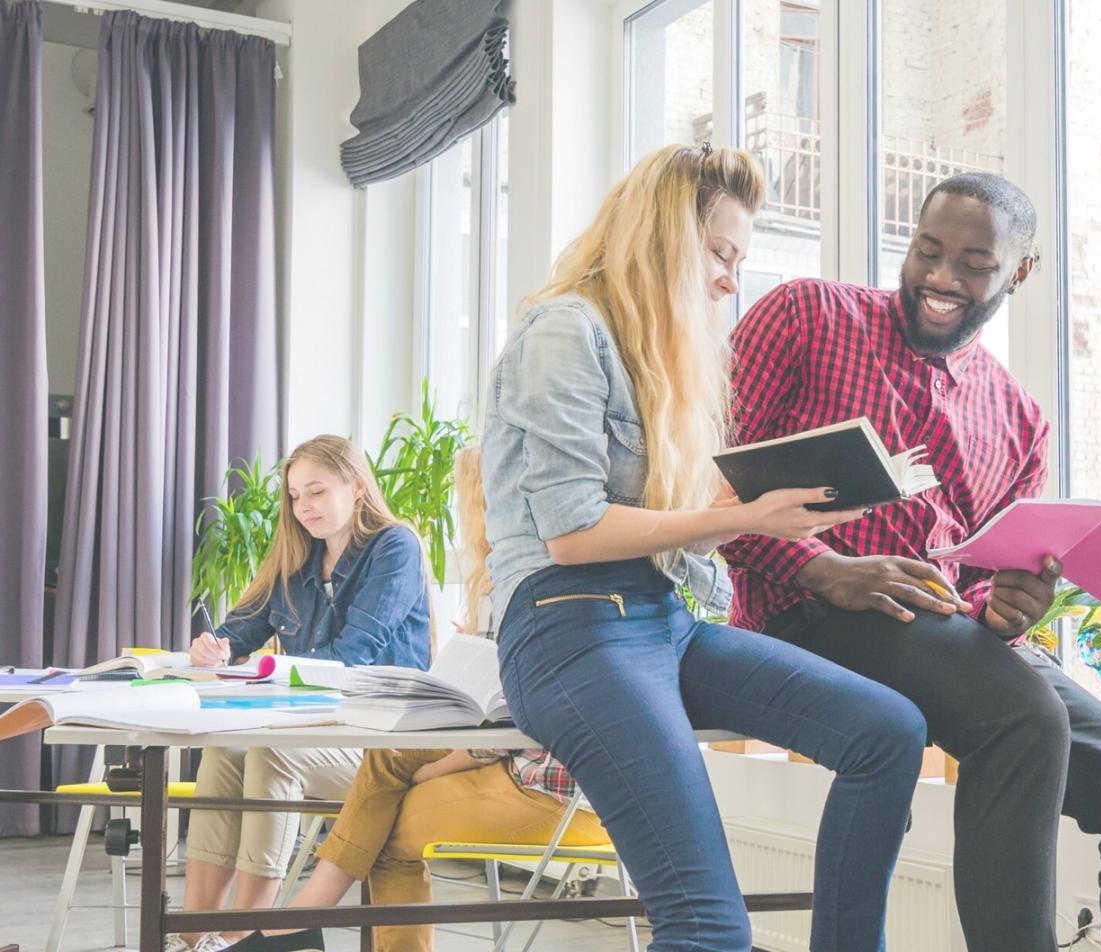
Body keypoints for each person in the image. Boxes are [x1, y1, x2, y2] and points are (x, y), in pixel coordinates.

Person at [720, 173, 1101, 952]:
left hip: (941, 637)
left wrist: (1012, 605)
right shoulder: (807, 316)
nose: (940, 279)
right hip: (802, 616)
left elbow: (977, 589)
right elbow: (703, 488)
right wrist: (825, 568)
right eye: (927, 251)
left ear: (1019, 272)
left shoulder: (1020, 419)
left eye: (973, 264)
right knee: (1023, 718)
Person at [484, 143, 927, 952]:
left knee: (888, 732)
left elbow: (664, 536)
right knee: (709, 929)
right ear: (661, 238)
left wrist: (745, 508)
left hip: (658, 623)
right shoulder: (563, 332)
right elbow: (574, 531)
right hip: (567, 626)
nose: (731, 278)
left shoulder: (663, 363)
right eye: (720, 253)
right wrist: (740, 519)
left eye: (738, 259)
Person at [224, 446, 606, 952]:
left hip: (548, 783)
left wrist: (443, 764)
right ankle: (288, 922)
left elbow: (523, 719)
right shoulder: (512, 581)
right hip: (511, 755)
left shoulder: (521, 582)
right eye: (295, 496)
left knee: (383, 834)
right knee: (385, 770)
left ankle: (295, 920)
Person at [173, 435, 435, 952]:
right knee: (223, 751)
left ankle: (241, 936)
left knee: (274, 754)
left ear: (356, 486)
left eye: (316, 491)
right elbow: (237, 632)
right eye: (294, 496)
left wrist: (269, 673)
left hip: (382, 743)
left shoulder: (394, 547)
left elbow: (354, 653)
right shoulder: (296, 557)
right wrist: (212, 648)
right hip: (314, 730)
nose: (303, 507)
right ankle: (191, 934)